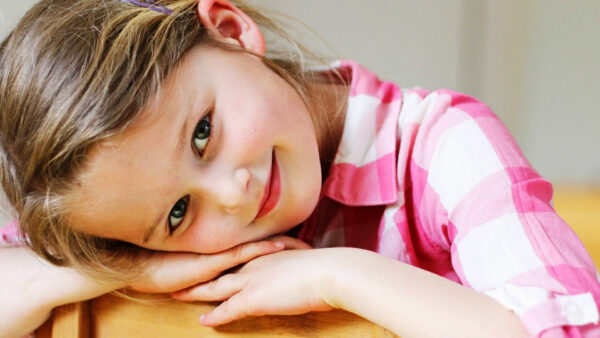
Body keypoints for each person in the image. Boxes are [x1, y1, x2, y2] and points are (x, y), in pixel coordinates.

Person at [0, 0, 598, 337]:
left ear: (231, 31)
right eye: (179, 212)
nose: (233, 196)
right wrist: (114, 269)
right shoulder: (111, 204)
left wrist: (338, 277)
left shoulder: (443, 144)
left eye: (204, 133)